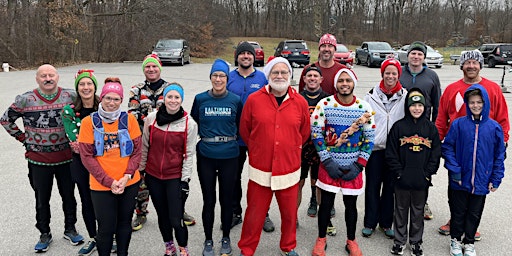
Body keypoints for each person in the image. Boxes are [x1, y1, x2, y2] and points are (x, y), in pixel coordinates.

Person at [0, 64, 84, 253]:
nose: (48, 78)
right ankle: (44, 233)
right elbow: (5, 120)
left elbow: (85, 113)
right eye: (43, 75)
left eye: (51, 75)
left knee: (69, 197)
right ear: (37, 79)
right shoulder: (25, 99)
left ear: (58, 77)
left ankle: (70, 228)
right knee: (41, 199)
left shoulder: (71, 96)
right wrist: (23, 138)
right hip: (38, 160)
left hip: (67, 159)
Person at [238, 57, 310, 256]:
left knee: (289, 214)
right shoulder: (254, 99)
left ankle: (288, 247)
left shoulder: (300, 102)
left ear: (290, 76)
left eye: (284, 72)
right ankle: (247, 248)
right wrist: (259, 148)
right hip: (260, 169)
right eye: (275, 73)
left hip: (288, 169)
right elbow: (246, 130)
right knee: (254, 214)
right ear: (268, 75)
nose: (279, 76)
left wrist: (290, 147)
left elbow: (303, 133)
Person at [435, 49, 509, 239]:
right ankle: (455, 221)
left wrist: (503, 143)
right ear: (462, 66)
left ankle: (470, 226)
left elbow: (502, 119)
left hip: (483, 147)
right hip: (458, 149)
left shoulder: (492, 89)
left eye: (475, 63)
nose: (471, 66)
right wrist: (438, 142)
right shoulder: (451, 90)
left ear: (480, 65)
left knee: (477, 189)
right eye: (467, 63)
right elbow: (442, 119)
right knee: (456, 189)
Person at [310, 68, 375, 256]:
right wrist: (327, 160)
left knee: (351, 206)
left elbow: (370, 138)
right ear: (336, 84)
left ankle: (351, 240)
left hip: (352, 167)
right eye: (341, 81)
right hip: (329, 165)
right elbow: (316, 133)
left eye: (348, 80)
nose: (344, 84)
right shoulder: (324, 104)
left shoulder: (364, 108)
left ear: (354, 83)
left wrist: (360, 164)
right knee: (326, 205)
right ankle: (321, 239)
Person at [128, 54, 196, 230]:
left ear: (160, 68)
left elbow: (176, 112)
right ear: (144, 69)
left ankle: (178, 210)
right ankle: (141, 212)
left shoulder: (169, 89)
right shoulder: (137, 90)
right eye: (147, 67)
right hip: (145, 139)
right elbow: (132, 115)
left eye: (154, 67)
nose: (151, 69)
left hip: (167, 140)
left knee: (173, 181)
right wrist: (149, 121)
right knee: (142, 181)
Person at [79, 77, 142, 256]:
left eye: (116, 99)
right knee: (105, 228)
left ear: (121, 101)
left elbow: (137, 152)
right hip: (101, 185)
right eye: (108, 98)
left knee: (124, 224)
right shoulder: (88, 122)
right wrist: (108, 181)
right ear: (101, 98)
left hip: (128, 183)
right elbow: (86, 156)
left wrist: (126, 176)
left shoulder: (128, 119)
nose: (112, 103)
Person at [442, 85, 505, 256]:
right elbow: (447, 148)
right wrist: (455, 170)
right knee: (458, 211)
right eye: (472, 102)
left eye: (479, 102)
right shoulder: (458, 125)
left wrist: (496, 178)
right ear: (467, 104)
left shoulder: (494, 128)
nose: (476, 105)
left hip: (482, 180)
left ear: (485, 104)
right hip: (460, 179)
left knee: (474, 213)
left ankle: (468, 241)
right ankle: (455, 239)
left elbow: (499, 155)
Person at [191, 59, 242, 256]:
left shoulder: (235, 100)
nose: (218, 79)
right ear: (210, 77)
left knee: (226, 199)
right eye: (215, 76)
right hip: (206, 155)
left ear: (227, 79)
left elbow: (239, 122)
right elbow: (196, 117)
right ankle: (208, 239)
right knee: (209, 199)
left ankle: (226, 237)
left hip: (230, 155)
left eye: (222, 76)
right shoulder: (200, 99)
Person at [140, 83, 198, 256]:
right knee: (162, 216)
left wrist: (185, 180)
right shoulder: (151, 119)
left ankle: (183, 249)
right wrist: (141, 171)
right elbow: (145, 147)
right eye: (169, 97)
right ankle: (169, 247)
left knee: (176, 218)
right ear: (163, 99)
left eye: (177, 97)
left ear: (182, 99)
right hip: (153, 175)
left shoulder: (189, 123)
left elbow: (189, 154)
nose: (173, 100)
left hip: (174, 177)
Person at [386, 88, 441, 256]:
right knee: (401, 210)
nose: (416, 109)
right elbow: (391, 153)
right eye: (413, 105)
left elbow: (436, 154)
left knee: (418, 212)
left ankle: (416, 242)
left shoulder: (430, 128)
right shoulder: (399, 127)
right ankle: (399, 241)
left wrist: (428, 173)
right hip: (401, 179)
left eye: (420, 105)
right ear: (407, 107)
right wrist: (398, 172)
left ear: (425, 107)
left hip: (421, 180)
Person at [227, 41, 275, 232]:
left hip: (258, 138)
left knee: (261, 178)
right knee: (234, 177)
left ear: (254, 57)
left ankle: (263, 213)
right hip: (234, 137)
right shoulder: (228, 78)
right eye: (242, 53)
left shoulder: (263, 78)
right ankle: (235, 212)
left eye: (249, 53)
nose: (246, 56)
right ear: (237, 57)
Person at [362, 58, 407, 239]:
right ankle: (370, 222)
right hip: (375, 150)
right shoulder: (370, 96)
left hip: (395, 151)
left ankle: (386, 222)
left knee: (391, 188)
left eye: (394, 73)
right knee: (372, 186)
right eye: (387, 73)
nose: (390, 76)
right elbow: (364, 120)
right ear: (382, 74)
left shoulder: (405, 96)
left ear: (398, 75)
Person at [399, 41, 442, 220]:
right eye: (413, 53)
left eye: (419, 54)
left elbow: (437, 104)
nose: (416, 57)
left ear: (424, 57)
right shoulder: (400, 73)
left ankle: (422, 202)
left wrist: (436, 129)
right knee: (402, 163)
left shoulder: (431, 76)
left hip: (424, 128)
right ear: (408, 55)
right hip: (401, 126)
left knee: (423, 165)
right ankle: (399, 199)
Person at [62, 69, 101, 255]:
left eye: (89, 84)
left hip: (105, 161)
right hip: (80, 163)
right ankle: (94, 237)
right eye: (82, 84)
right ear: (78, 88)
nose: (86, 87)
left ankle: (109, 235)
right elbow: (75, 142)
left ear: (95, 86)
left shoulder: (104, 105)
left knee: (105, 200)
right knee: (87, 199)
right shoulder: (69, 110)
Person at [298, 64, 329, 223]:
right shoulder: (297, 97)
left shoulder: (327, 99)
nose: (312, 78)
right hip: (301, 147)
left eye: (315, 76)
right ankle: (292, 216)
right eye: (309, 76)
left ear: (321, 79)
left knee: (318, 182)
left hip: (320, 147)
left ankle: (319, 209)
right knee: (299, 181)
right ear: (304, 79)